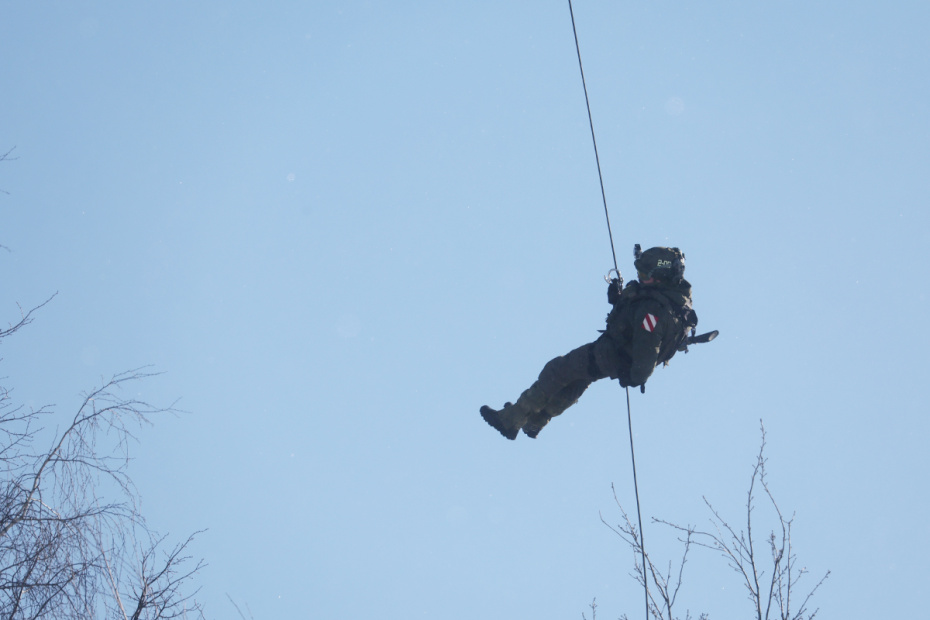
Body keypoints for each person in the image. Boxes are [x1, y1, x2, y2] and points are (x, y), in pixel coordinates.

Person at [480, 245, 706, 440]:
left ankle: (511, 420)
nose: (640, 278)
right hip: (617, 357)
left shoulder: (653, 310)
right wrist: (619, 300)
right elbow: (637, 321)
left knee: (557, 370)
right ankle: (535, 421)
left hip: (612, 354)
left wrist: (635, 376)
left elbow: (648, 347)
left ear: (661, 276)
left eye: (645, 275)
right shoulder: (674, 298)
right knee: (576, 381)